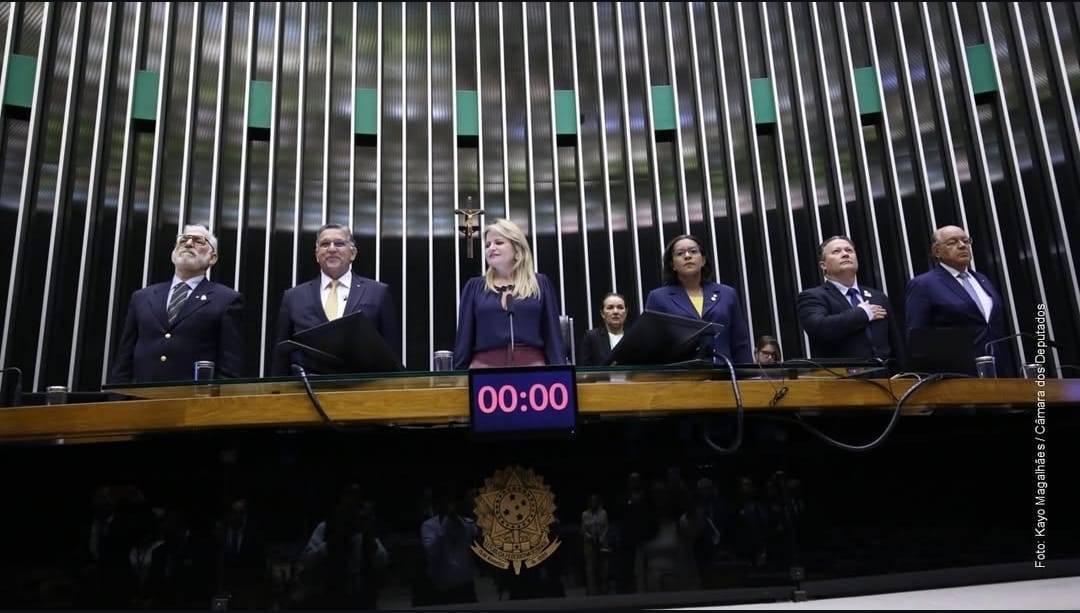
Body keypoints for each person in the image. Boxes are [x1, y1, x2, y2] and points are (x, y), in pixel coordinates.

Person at [110, 225, 244, 383]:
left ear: (212, 257)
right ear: (173, 254)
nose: (188, 244)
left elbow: (230, 366)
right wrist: (119, 399)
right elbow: (124, 359)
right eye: (183, 240)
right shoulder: (142, 297)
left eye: (199, 241)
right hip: (139, 400)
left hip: (193, 402)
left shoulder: (227, 299)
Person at [272, 223, 400, 375]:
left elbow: (391, 354)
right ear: (317, 254)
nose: (332, 249)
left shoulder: (378, 292)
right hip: (307, 391)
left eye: (339, 243)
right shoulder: (293, 297)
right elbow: (281, 357)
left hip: (364, 390)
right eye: (325, 244)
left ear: (352, 253)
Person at [452, 219, 566, 368]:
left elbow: (553, 336)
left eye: (498, 243)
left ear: (517, 249)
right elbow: (464, 339)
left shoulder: (540, 283)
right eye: (487, 245)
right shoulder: (474, 287)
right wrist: (458, 377)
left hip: (532, 367)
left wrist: (561, 374)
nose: (491, 248)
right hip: (484, 370)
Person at [905, 225, 1012, 375]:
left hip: (998, 370)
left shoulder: (982, 279)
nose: (962, 246)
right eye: (952, 242)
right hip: (956, 375)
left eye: (965, 241)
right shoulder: (924, 284)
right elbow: (917, 339)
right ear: (937, 251)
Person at [643, 234, 752, 364]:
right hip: (680, 377)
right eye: (680, 253)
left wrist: (749, 377)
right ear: (672, 265)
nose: (687, 256)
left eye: (693, 251)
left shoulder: (727, 294)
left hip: (724, 375)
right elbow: (652, 346)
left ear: (703, 260)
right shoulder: (658, 298)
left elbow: (740, 342)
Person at [795, 236, 903, 366]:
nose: (845, 254)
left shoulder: (877, 296)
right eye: (836, 251)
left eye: (849, 250)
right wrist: (862, 314)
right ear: (823, 265)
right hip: (844, 380)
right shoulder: (813, 297)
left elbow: (896, 343)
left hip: (888, 379)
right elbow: (820, 328)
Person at [579, 293, 628, 366]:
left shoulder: (634, 337)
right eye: (610, 308)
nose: (615, 312)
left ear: (626, 313)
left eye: (620, 307)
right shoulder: (592, 338)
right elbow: (584, 370)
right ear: (602, 313)